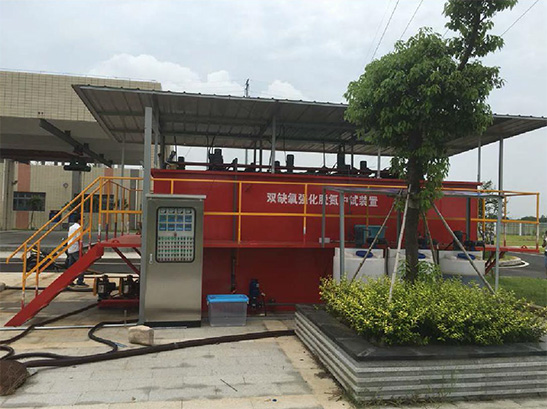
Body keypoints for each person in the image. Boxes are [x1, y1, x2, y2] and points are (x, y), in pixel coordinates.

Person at [67, 221, 87, 286]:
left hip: (70, 248)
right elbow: (79, 239)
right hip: (76, 249)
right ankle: (80, 281)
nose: (83, 221)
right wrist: (82, 249)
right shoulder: (78, 227)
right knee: (82, 265)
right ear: (79, 220)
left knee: (71, 266)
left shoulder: (71, 227)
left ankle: (69, 280)